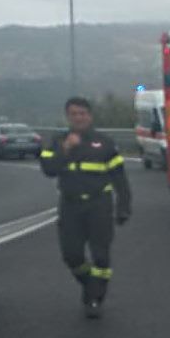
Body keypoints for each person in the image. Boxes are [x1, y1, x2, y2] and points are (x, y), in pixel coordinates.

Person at [40, 97, 132, 318]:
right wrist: (65, 149)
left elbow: (120, 178)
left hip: (99, 205)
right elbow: (49, 169)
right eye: (74, 114)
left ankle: (95, 298)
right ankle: (90, 284)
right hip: (70, 206)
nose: (79, 118)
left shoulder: (105, 143)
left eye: (82, 113)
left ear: (90, 116)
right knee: (71, 255)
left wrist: (124, 206)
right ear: (68, 117)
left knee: (101, 256)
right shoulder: (58, 141)